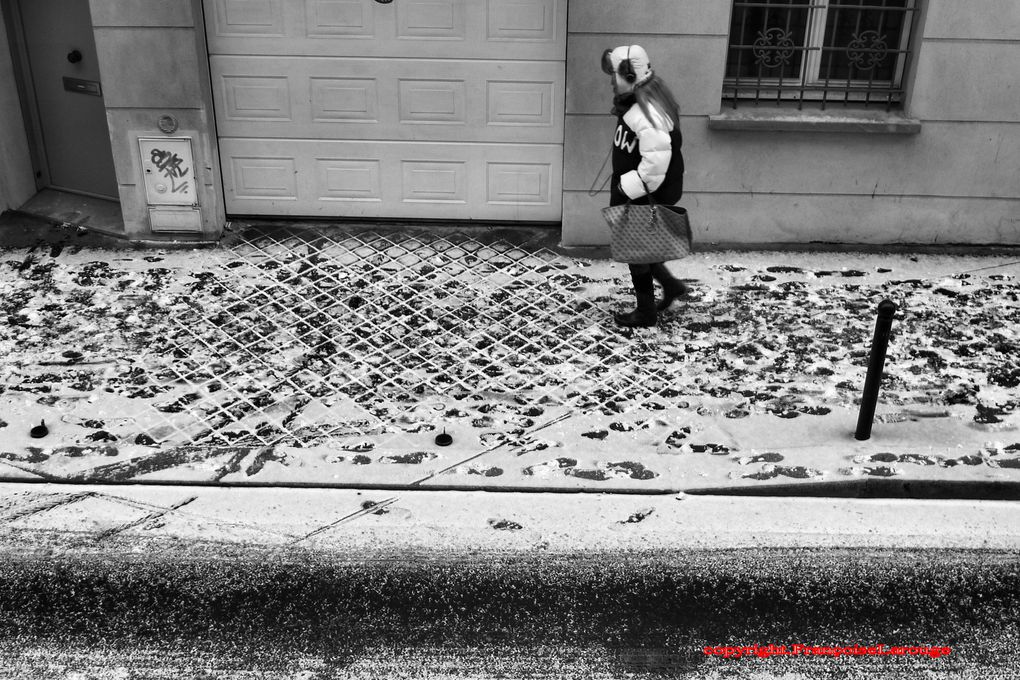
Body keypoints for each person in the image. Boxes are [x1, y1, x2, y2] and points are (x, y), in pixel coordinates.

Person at [602, 45, 688, 328]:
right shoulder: (638, 105)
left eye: (614, 75)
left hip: (642, 193)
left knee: (636, 252)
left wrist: (625, 187)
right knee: (641, 248)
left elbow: (653, 168)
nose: (611, 81)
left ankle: (646, 312)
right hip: (638, 191)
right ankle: (671, 286)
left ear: (628, 76)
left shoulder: (648, 113)